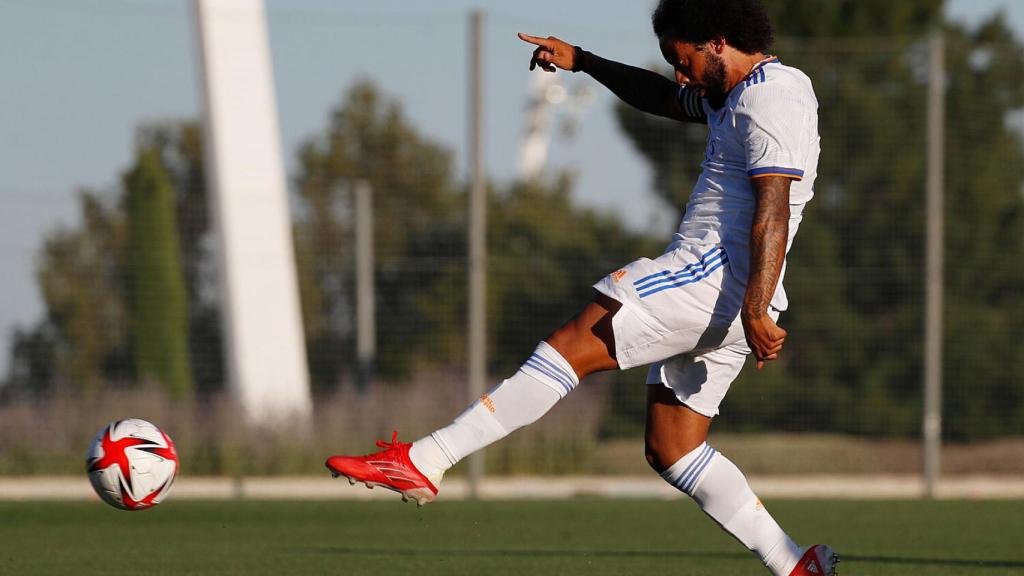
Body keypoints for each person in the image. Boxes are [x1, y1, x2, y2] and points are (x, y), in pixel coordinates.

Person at [326, 1, 837, 574]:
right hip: (730, 294)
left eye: (683, 59)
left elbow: (773, 206)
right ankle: (794, 564)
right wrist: (585, 61)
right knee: (672, 448)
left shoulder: (773, 95)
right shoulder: (733, 93)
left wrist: (755, 307)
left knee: (571, 343)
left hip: (713, 278)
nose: (680, 74)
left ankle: (427, 458)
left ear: (718, 41)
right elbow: (663, 98)